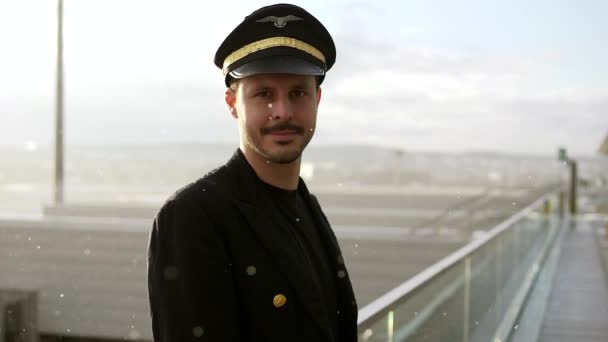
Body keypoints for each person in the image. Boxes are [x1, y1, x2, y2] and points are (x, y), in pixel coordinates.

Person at [147, 3, 358, 342]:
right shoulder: (192, 216)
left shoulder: (307, 205)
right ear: (233, 104)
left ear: (317, 99)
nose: (283, 112)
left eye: (298, 93)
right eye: (263, 94)